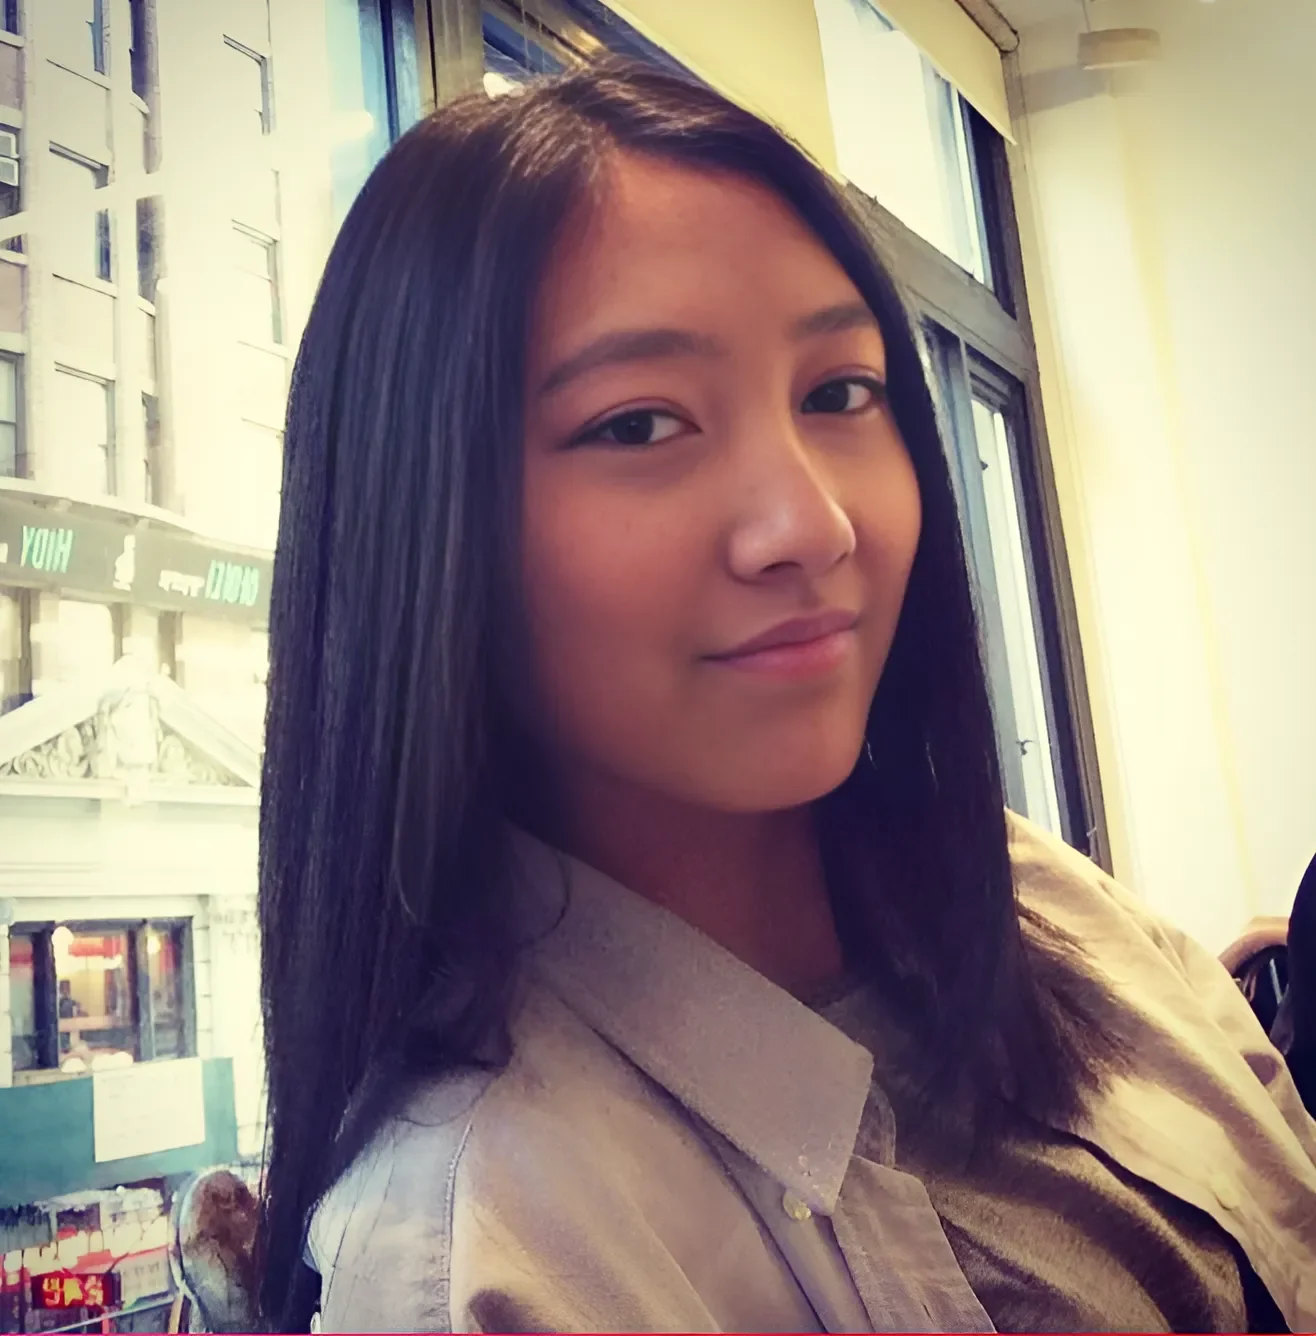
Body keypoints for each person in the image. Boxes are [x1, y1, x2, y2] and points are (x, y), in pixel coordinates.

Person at [255, 60, 1316, 1333]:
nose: (811, 524)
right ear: (415, 531)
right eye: (640, 423)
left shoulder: (1036, 896)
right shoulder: (497, 1251)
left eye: (838, 393)